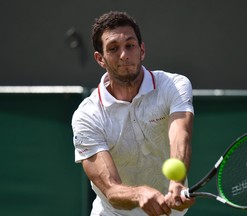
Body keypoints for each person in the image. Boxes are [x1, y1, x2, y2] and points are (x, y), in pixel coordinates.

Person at [72, 11, 195, 216]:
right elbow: (111, 189)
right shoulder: (87, 116)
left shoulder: (174, 85)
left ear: (142, 50)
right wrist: (139, 194)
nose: (124, 55)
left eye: (130, 45)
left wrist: (176, 182)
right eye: (113, 48)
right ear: (100, 59)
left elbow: (180, 135)